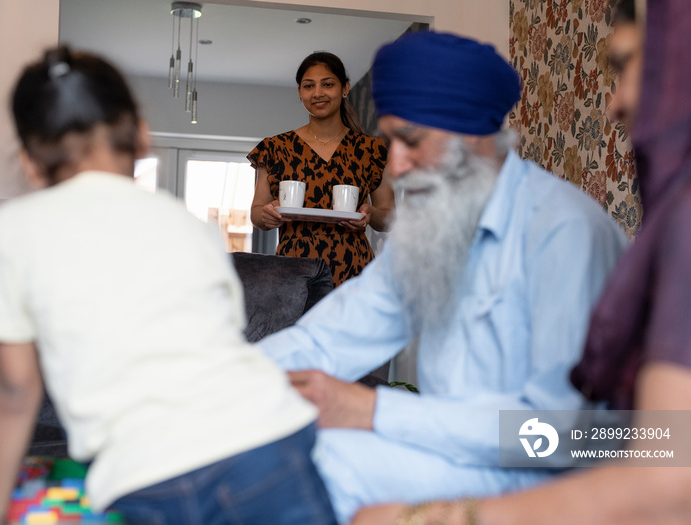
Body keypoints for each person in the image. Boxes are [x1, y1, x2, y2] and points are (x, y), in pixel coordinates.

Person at [257, 30, 628, 524]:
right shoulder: (430, 229)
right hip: (445, 451)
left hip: (544, 474)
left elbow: (561, 432)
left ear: (472, 135)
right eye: (390, 141)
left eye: (410, 141)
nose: (397, 164)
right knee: (258, 445)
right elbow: (329, 340)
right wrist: (225, 381)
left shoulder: (563, 230)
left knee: (311, 469)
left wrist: (372, 412)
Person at [352, 1, 691, 523]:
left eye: (625, 65)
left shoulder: (567, 228)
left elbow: (624, 455)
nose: (613, 104)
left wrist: (437, 513)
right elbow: (667, 441)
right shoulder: (425, 232)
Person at [0, 47, 336, 525]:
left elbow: (13, 388)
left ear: (29, 162)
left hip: (150, 472)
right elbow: (224, 336)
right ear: (142, 137)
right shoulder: (188, 225)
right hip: (271, 439)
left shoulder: (13, 230)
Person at [248, 51, 395, 287]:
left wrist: (370, 214)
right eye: (308, 86)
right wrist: (266, 215)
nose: (318, 93)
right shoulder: (275, 147)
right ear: (300, 93)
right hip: (292, 272)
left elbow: (389, 217)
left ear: (345, 88)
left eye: (327, 84)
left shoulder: (372, 150)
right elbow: (256, 213)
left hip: (353, 272)